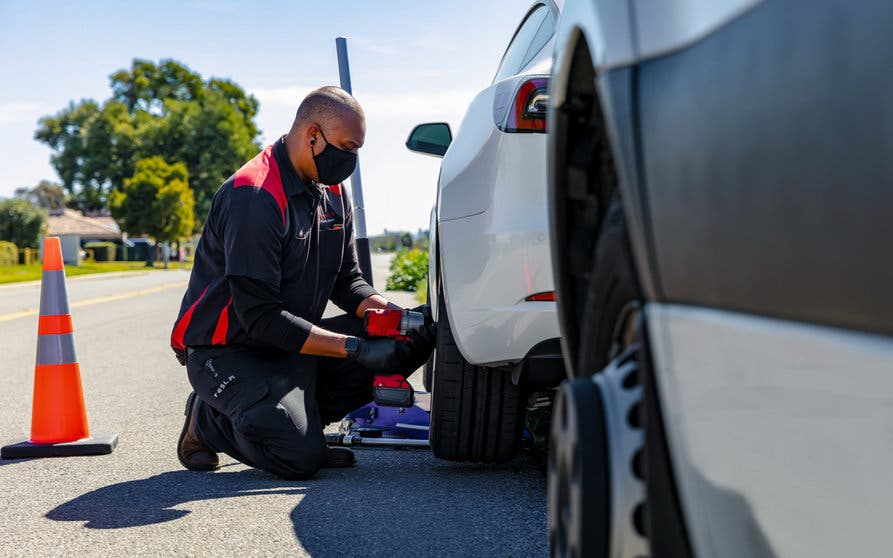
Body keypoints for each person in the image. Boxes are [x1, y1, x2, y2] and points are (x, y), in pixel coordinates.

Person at [170, 86, 435, 479]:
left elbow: (347, 280)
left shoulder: (331, 191)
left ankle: (299, 423)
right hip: (229, 353)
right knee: (299, 457)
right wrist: (356, 349)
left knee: (414, 334)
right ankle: (207, 419)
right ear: (312, 135)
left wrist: (394, 316)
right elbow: (260, 318)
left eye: (358, 149)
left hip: (291, 343)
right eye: (347, 147)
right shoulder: (255, 196)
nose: (351, 160)